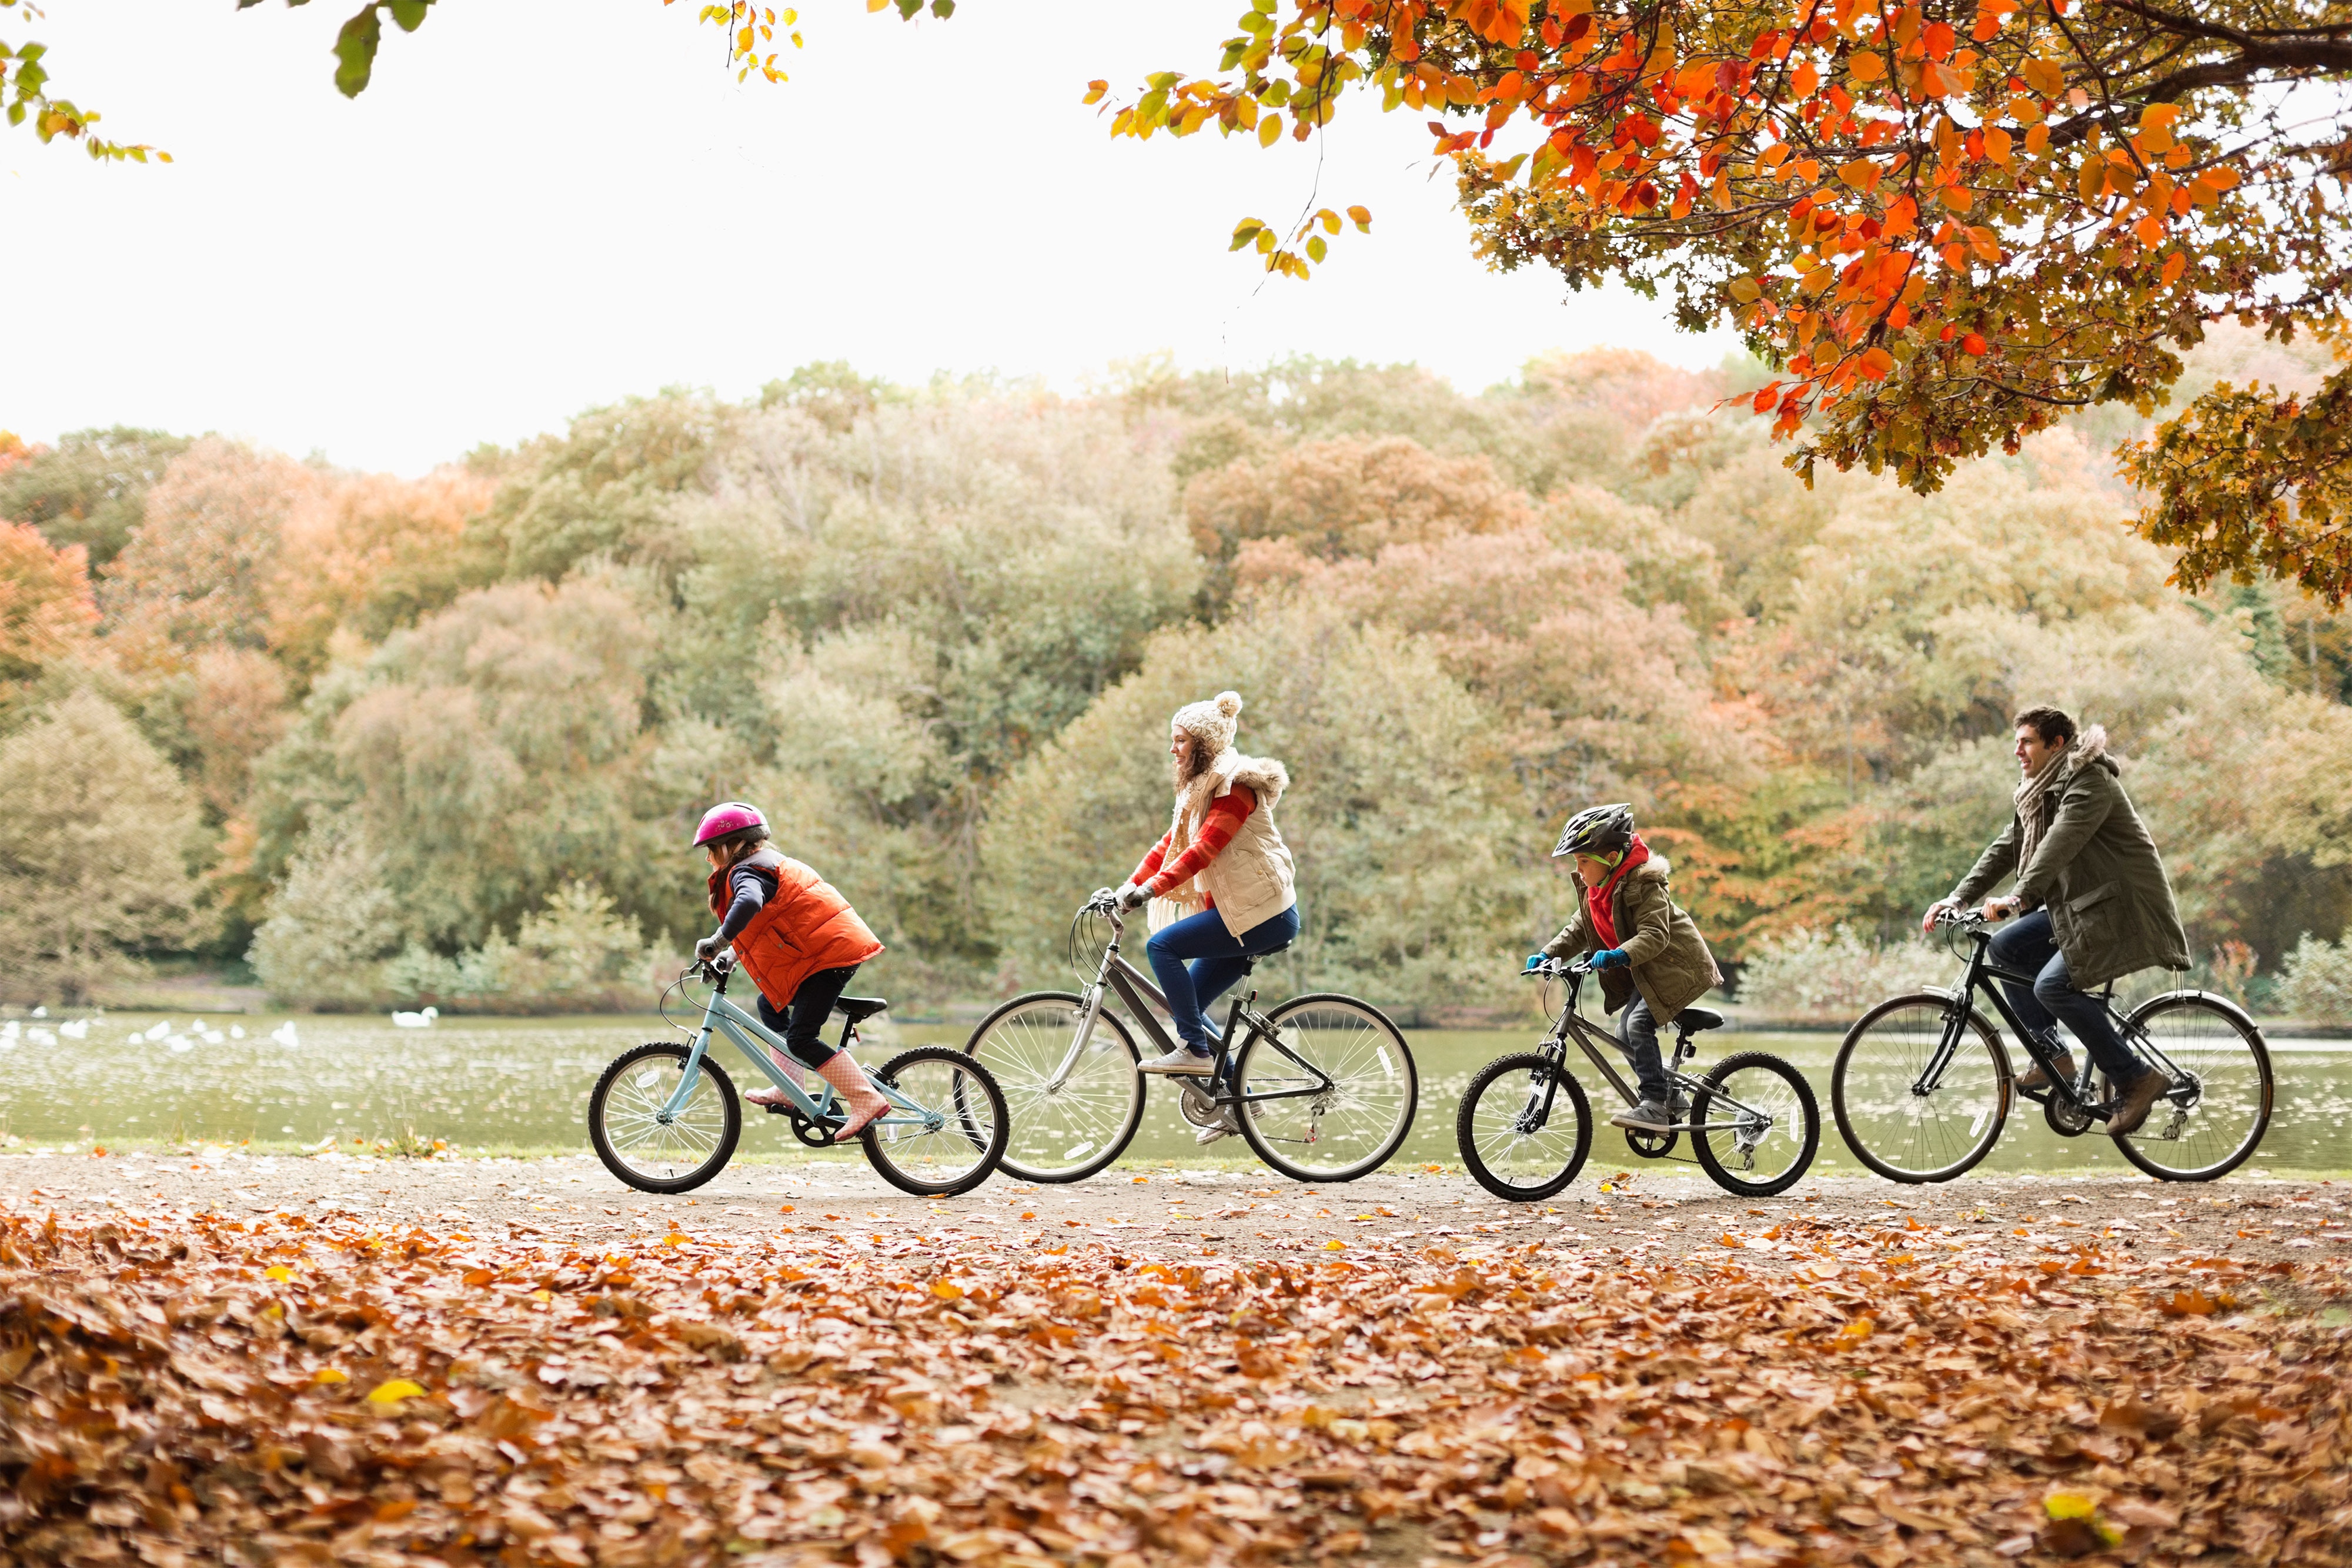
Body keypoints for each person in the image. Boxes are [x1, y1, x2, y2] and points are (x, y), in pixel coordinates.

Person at [1923, 707, 2190, 1136]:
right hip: (2079, 907)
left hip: (2119, 906)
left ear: (2057, 745)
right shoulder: (2038, 792)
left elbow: (2059, 844)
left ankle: (2136, 1076)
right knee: (2005, 947)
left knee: (2051, 986)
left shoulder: (2089, 782)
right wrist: (1958, 896)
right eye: (2017, 741)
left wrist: (2018, 895)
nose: (2017, 750)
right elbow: (2009, 846)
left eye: (2027, 741)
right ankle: (2053, 1054)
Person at [1114, 691, 1301, 1138]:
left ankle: (1196, 1052)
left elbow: (1203, 850)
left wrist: (1151, 890)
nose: (1173, 749)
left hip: (1263, 915)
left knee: (1162, 946)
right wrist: (1128, 885)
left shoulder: (1235, 787)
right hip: (1241, 915)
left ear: (1203, 744)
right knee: (1188, 1006)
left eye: (1180, 741)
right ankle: (1241, 1103)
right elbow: (1169, 845)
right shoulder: (1200, 790)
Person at [691, 803, 890, 1142]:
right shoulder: (765, 864)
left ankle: (865, 1098)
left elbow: (749, 904)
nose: (710, 859)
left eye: (711, 850)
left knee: (801, 1038)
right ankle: (789, 1086)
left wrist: (717, 939)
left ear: (731, 846)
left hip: (829, 955)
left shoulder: (747, 871)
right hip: (826, 951)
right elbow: (767, 924)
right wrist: (729, 955)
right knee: (771, 1004)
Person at [1533, 803, 1723, 1133]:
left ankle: (1654, 1103)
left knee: (1636, 1025)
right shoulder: (1598, 890)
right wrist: (1547, 953)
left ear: (1610, 858)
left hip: (1677, 968)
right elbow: (1581, 929)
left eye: (1582, 861)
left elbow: (1656, 934)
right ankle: (1671, 1095)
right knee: (1624, 1032)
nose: (1578, 870)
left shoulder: (1645, 883)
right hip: (1648, 972)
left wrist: (1618, 954)